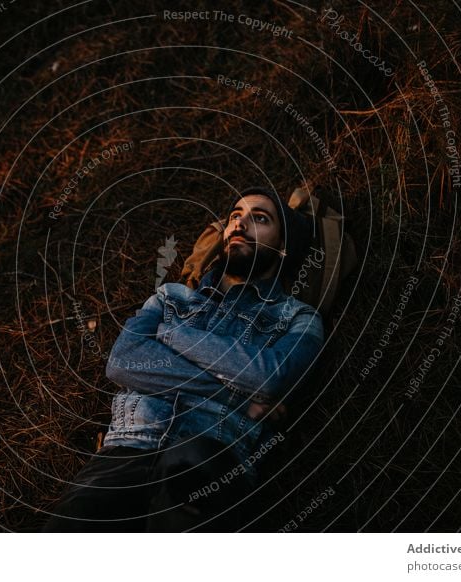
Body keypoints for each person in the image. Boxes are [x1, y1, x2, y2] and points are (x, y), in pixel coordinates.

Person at [43, 187, 325, 532]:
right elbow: (123, 361)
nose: (239, 224)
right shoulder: (171, 296)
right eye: (235, 216)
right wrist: (235, 392)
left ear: (284, 247)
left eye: (260, 219)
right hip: (126, 450)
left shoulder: (298, 319)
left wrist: (174, 336)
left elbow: (269, 379)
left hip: (212, 456)